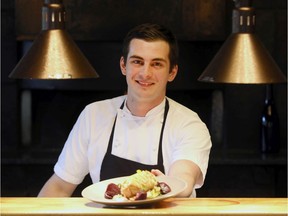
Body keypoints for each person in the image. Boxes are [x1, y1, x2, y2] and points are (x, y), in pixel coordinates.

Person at [38, 23, 212, 198]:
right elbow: (59, 186)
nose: (145, 73)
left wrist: (168, 185)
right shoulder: (94, 115)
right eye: (137, 62)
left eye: (157, 64)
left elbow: (183, 179)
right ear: (123, 65)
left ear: (172, 72)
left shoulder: (189, 123)